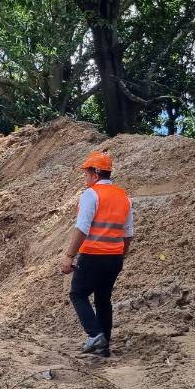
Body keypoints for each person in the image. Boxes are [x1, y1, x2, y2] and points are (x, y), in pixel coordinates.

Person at [60, 151, 133, 358]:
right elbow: (128, 233)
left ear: (95, 174)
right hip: (114, 258)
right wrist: (120, 256)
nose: (85, 178)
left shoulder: (91, 195)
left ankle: (95, 334)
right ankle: (104, 346)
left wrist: (69, 256)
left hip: (92, 256)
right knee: (103, 299)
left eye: (86, 173)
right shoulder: (124, 197)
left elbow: (82, 228)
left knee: (78, 294)